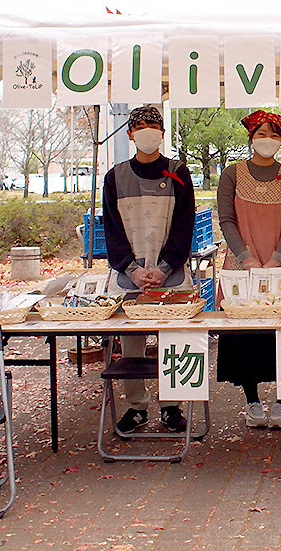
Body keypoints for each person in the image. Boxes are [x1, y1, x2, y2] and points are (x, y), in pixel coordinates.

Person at [103, 105, 195, 434]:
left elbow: (185, 225)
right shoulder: (114, 177)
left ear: (162, 134)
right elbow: (111, 229)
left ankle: (172, 406)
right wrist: (132, 269)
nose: (146, 132)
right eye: (139, 127)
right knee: (131, 340)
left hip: (171, 272)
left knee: (174, 338)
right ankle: (136, 406)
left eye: (152, 126)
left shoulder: (178, 172)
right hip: (131, 275)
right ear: (130, 134)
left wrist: (165, 267)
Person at [216, 110, 281, 429]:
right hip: (242, 265)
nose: (267, 140)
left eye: (274, 135)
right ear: (251, 137)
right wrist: (246, 256)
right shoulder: (233, 174)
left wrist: (278, 257)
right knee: (245, 333)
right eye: (261, 134)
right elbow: (226, 218)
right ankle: (251, 401)